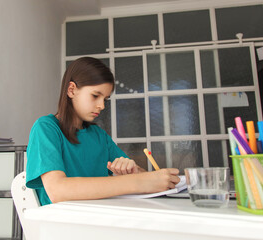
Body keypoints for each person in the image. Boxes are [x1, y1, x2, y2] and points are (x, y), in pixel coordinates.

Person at [26, 57, 180, 206]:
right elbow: (57, 190)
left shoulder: (98, 135)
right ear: (71, 90)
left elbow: (141, 178)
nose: (102, 106)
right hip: (61, 224)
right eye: (95, 96)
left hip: (99, 218)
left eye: (105, 99)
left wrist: (133, 171)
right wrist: (136, 182)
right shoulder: (46, 128)